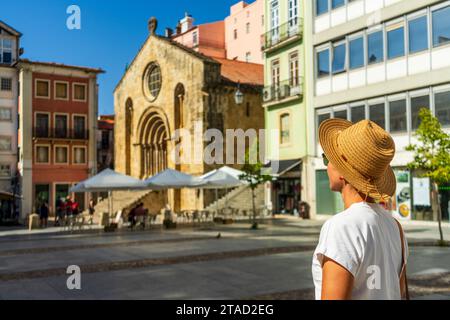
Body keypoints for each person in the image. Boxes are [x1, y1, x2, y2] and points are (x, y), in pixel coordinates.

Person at [312, 119, 409, 300]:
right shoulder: (396, 227)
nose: (326, 165)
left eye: (328, 159)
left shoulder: (341, 227)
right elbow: (398, 291)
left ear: (342, 172)